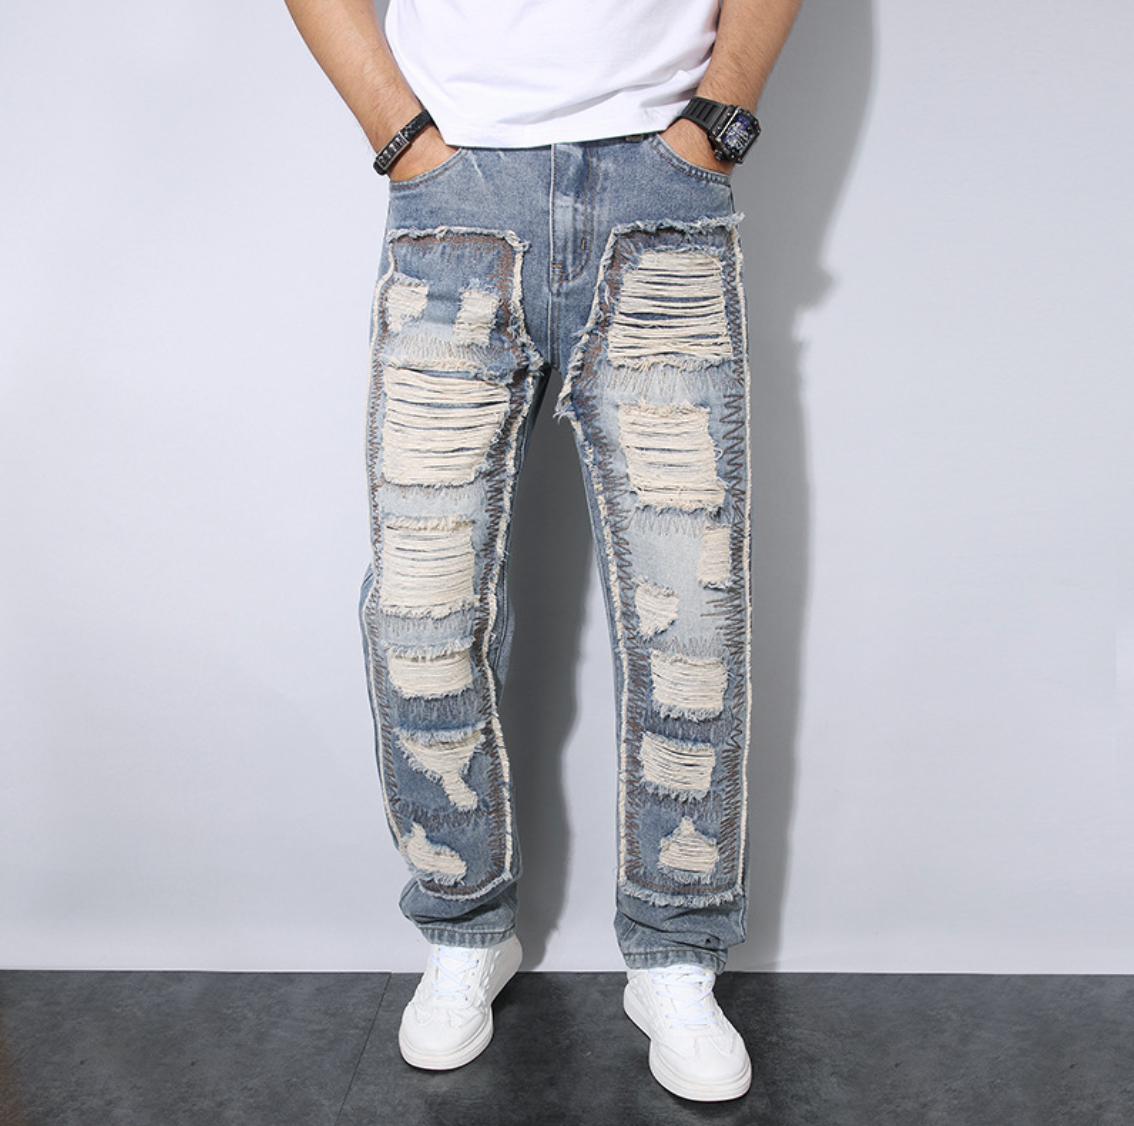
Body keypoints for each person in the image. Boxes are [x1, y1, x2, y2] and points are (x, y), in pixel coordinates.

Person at [285, 0, 802, 1102]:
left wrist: (716, 126)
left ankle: (674, 953)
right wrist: (402, 140)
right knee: (423, 609)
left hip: (661, 189)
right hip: (454, 196)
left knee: (689, 611)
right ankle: (463, 925)